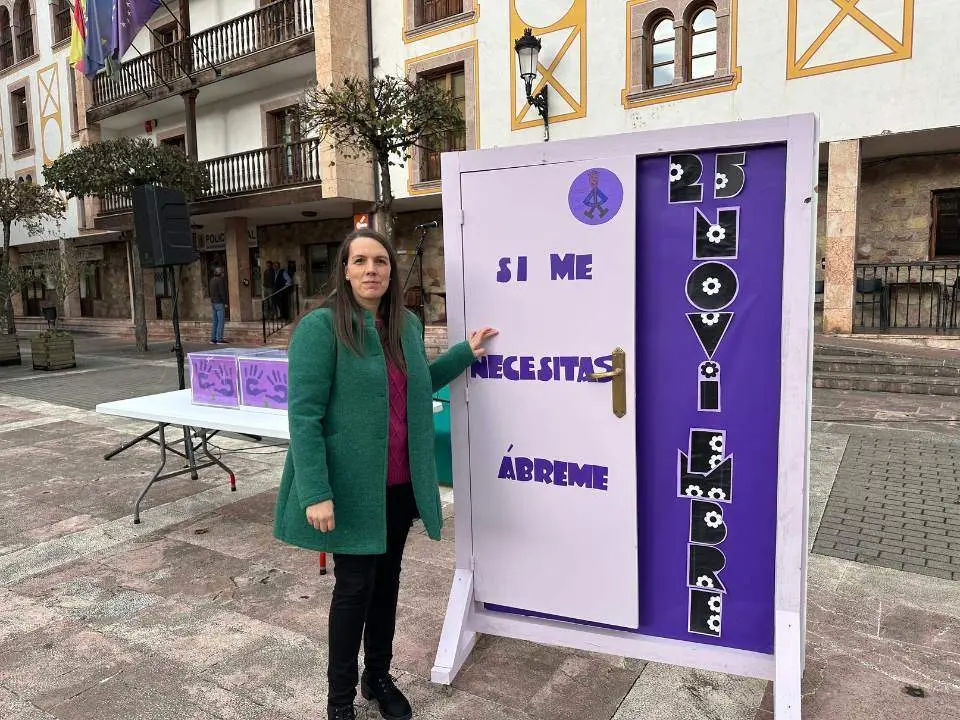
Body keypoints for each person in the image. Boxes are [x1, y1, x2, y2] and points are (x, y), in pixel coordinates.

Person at [273, 229, 497, 720]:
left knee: (387, 583)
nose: (371, 270)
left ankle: (377, 676)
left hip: (398, 486)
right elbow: (303, 416)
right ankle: (339, 703)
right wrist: (315, 490)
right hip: (350, 489)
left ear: (391, 271)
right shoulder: (321, 328)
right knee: (354, 588)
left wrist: (463, 354)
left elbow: (418, 387)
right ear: (345, 270)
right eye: (360, 261)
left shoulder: (407, 325)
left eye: (380, 261)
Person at [208, 266, 228, 344]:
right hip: (219, 303)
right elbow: (222, 292)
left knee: (215, 321)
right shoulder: (220, 280)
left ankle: (213, 339)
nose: (223, 274)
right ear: (220, 273)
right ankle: (219, 339)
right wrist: (225, 302)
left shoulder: (212, 280)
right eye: (222, 272)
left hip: (213, 302)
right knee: (221, 321)